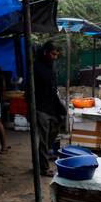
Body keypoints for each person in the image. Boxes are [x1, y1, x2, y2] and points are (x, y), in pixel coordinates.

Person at [31, 41, 66, 176]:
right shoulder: (35, 66)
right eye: (53, 54)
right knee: (43, 139)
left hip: (52, 105)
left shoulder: (51, 66)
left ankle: (41, 160)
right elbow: (30, 89)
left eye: (56, 54)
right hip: (40, 107)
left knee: (54, 131)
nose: (55, 57)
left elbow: (53, 86)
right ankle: (44, 168)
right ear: (45, 52)